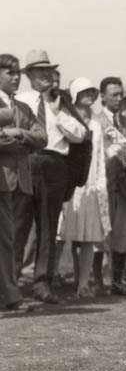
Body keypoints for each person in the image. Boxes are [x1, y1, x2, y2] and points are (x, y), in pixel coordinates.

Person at [15, 49, 87, 303]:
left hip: (55, 164)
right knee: (18, 224)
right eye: (39, 70)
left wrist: (58, 115)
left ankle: (42, 283)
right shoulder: (19, 99)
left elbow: (80, 135)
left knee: (48, 226)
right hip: (25, 162)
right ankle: (10, 283)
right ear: (29, 75)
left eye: (48, 70)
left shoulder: (62, 103)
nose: (46, 74)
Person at [0, 54, 47, 311]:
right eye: (10, 73)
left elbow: (42, 138)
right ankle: (10, 294)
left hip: (21, 181)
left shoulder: (24, 109)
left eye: (18, 73)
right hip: (2, 180)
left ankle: (9, 291)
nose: (16, 77)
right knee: (6, 240)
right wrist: (18, 141)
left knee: (13, 240)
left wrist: (17, 132)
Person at [60, 78, 111, 298]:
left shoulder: (97, 125)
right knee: (61, 236)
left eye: (92, 91)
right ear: (75, 95)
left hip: (91, 185)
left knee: (88, 238)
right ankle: (49, 279)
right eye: (84, 91)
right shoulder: (67, 119)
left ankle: (83, 284)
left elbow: (99, 157)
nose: (89, 95)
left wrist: (100, 184)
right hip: (69, 186)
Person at [95, 77, 126, 295]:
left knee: (122, 235)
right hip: (101, 186)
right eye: (114, 94)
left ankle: (117, 281)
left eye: (121, 94)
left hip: (123, 187)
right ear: (102, 96)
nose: (119, 98)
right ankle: (98, 282)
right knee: (100, 235)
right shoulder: (94, 121)